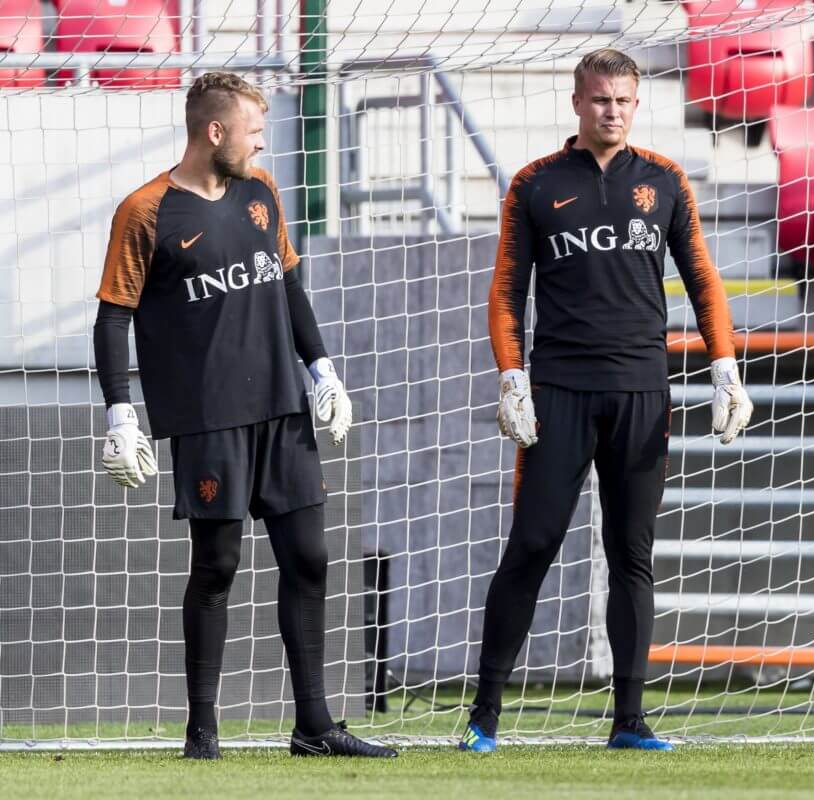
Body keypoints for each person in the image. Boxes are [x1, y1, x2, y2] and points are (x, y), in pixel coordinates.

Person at [92, 71, 395, 760]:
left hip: (282, 409)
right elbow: (114, 318)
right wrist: (120, 414)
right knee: (218, 564)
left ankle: (315, 726)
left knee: (311, 558)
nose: (262, 146)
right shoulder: (146, 209)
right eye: (254, 133)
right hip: (207, 420)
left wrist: (322, 370)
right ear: (215, 131)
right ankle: (202, 734)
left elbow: (287, 284)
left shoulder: (262, 194)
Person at [458, 48, 753, 753]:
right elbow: (505, 291)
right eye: (598, 100)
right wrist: (511, 376)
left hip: (642, 394)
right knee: (531, 545)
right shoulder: (535, 184)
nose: (610, 110)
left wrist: (725, 368)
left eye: (622, 100)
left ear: (636, 103)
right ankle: (483, 715)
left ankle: (629, 721)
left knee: (632, 555)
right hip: (558, 391)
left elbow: (704, 280)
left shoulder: (665, 180)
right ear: (576, 102)